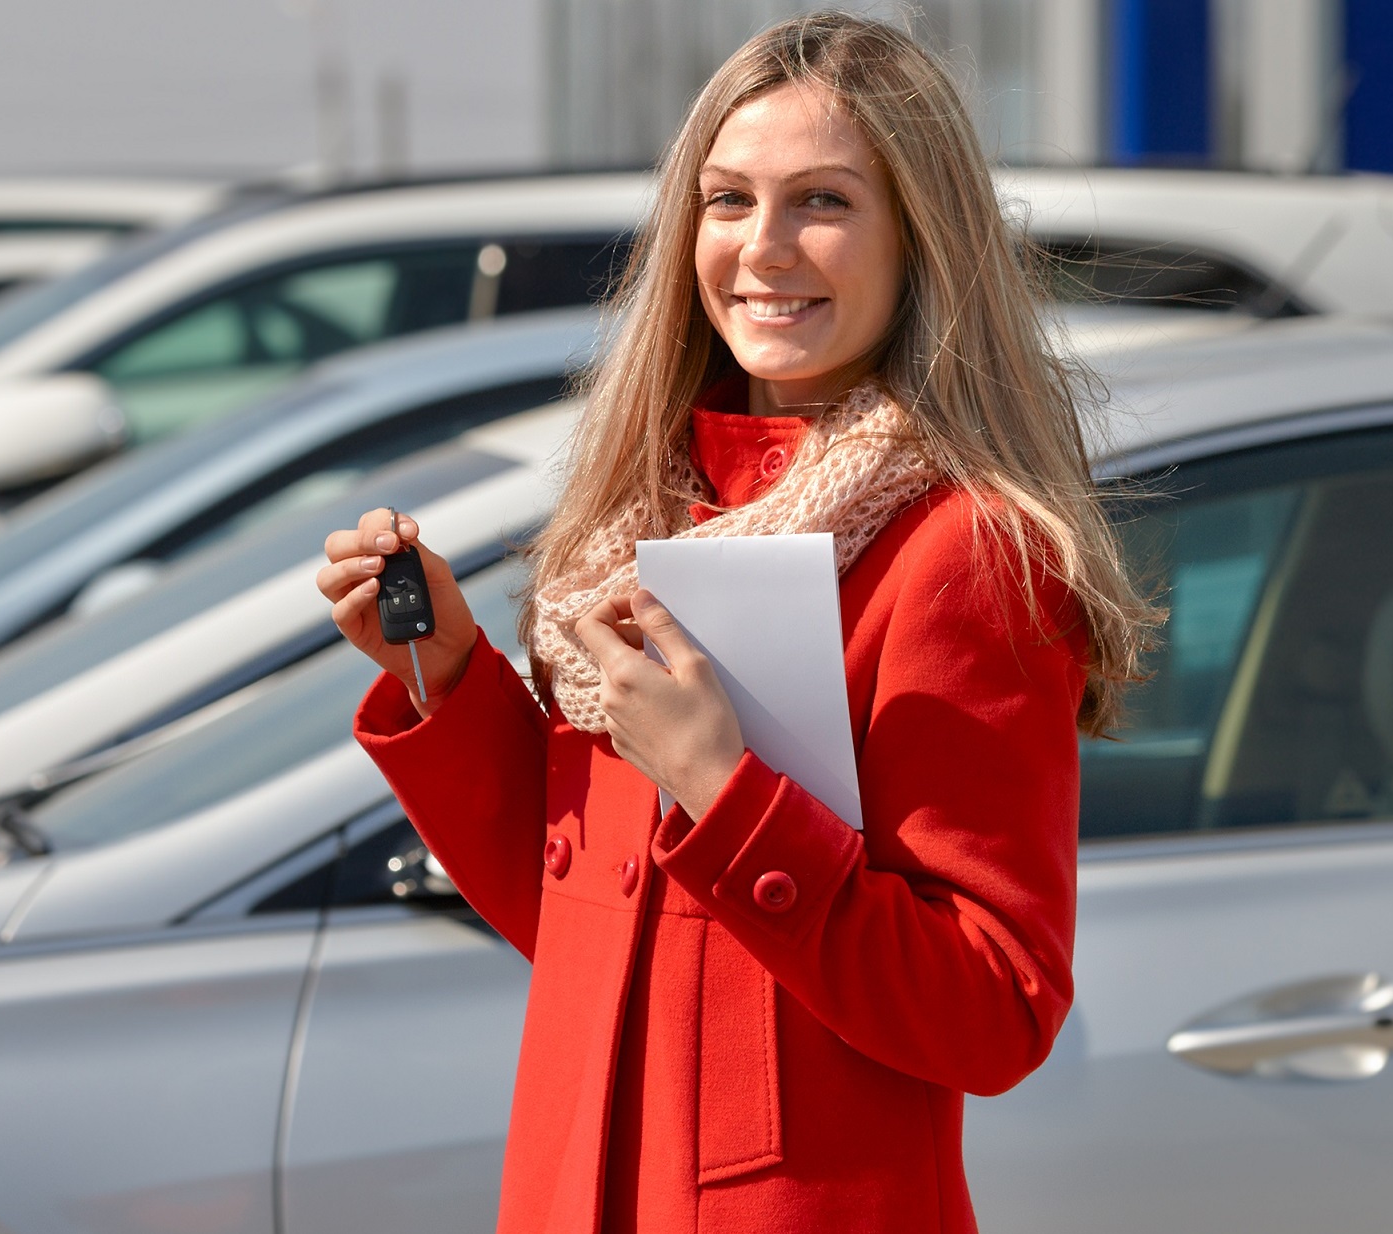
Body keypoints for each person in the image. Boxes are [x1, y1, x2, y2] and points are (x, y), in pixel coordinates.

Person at [316, 12, 1153, 1232]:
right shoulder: (645, 512)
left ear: (921, 238)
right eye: (727, 200)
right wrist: (448, 672)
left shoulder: (962, 551)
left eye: (822, 200)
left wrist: (724, 782)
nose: (764, 248)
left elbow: (997, 1010)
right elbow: (580, 925)